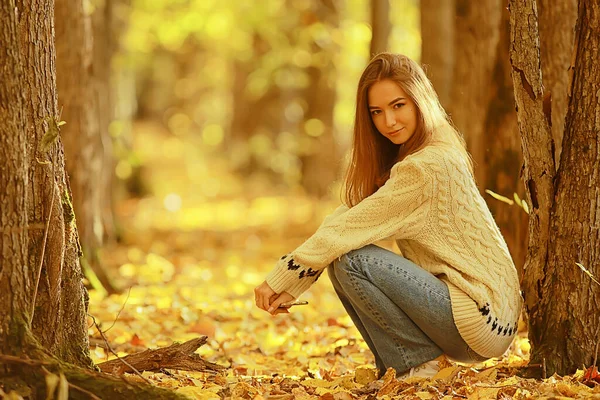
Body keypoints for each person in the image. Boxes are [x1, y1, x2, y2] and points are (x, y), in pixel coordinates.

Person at [254, 52, 522, 379]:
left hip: (479, 317)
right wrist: (297, 278)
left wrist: (283, 277)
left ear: (419, 100)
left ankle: (416, 365)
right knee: (343, 256)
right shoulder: (437, 145)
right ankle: (401, 367)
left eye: (399, 106)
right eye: (377, 112)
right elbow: (349, 219)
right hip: (491, 318)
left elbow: (347, 232)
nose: (389, 122)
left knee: (352, 260)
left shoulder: (425, 167)